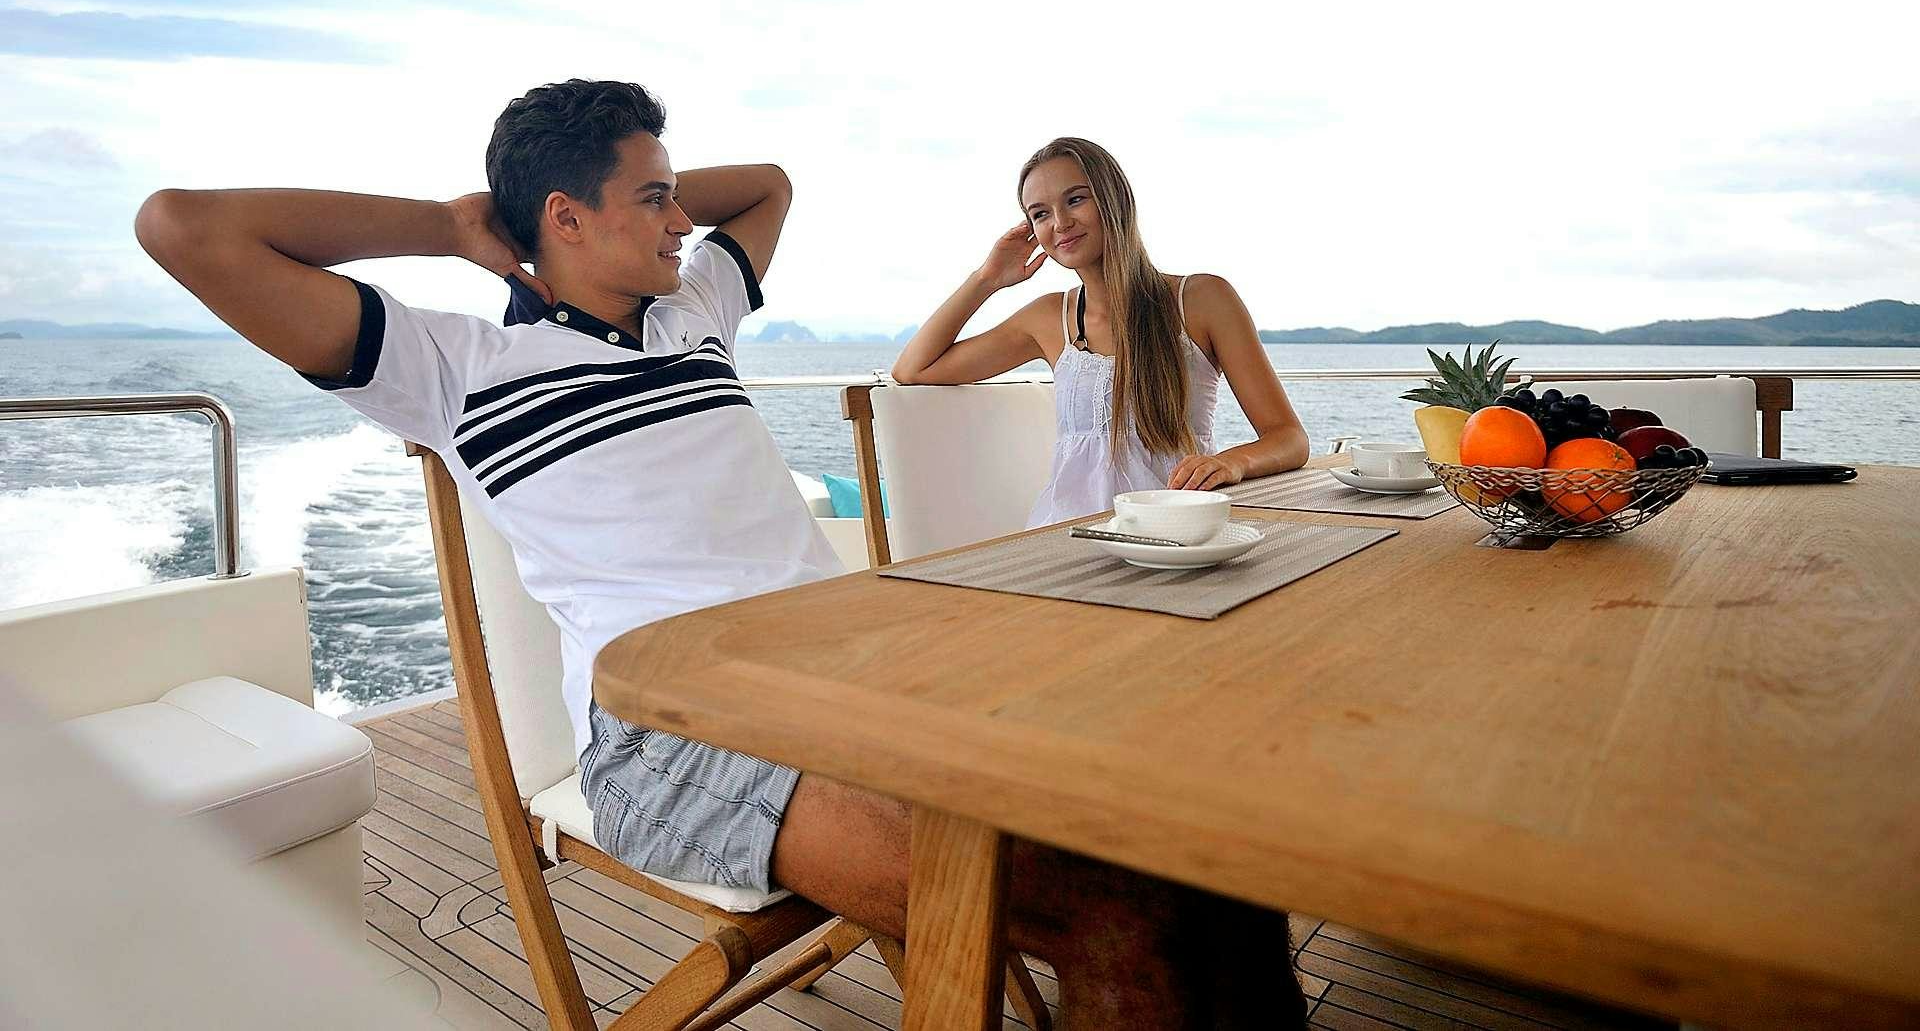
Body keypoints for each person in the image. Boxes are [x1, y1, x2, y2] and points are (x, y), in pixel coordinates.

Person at [135, 81, 1307, 1028]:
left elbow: (770, 185)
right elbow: (186, 226)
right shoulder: (451, 367)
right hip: (675, 738)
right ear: (564, 214)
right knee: (1123, 909)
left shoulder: (692, 309)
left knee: (1212, 856)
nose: (684, 216)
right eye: (651, 196)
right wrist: (453, 227)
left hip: (853, 673)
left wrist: (629, 195)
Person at [893, 137, 1309, 523]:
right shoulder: (1047, 318)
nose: (1059, 223)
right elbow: (913, 369)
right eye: (1040, 214)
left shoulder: (1201, 299)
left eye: (1075, 200)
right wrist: (986, 278)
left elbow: (1288, 438)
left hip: (1174, 531)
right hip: (1064, 536)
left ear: (1115, 200)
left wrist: (1232, 462)